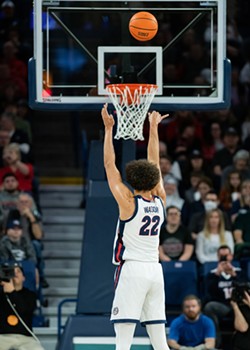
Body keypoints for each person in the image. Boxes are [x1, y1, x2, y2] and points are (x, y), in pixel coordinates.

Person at [101, 103, 170, 350]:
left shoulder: (129, 202)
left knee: (123, 341)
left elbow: (110, 167)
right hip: (155, 271)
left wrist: (109, 130)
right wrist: (153, 127)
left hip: (133, 270)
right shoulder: (161, 199)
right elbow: (156, 162)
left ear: (132, 180)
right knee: (160, 341)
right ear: (153, 179)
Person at [203, 245, 245, 347]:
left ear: (231, 256)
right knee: (209, 307)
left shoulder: (239, 272)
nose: (224, 258)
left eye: (226, 255)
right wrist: (218, 273)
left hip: (239, 306)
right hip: (223, 306)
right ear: (217, 256)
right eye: (221, 255)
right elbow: (209, 294)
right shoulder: (212, 274)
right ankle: (216, 342)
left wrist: (234, 275)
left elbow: (245, 290)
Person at [0, 264, 45, 350]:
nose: (15, 273)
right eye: (12, 271)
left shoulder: (30, 295)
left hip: (25, 338)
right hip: (2, 337)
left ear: (23, 278)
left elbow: (24, 310)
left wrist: (12, 292)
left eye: (18, 271)